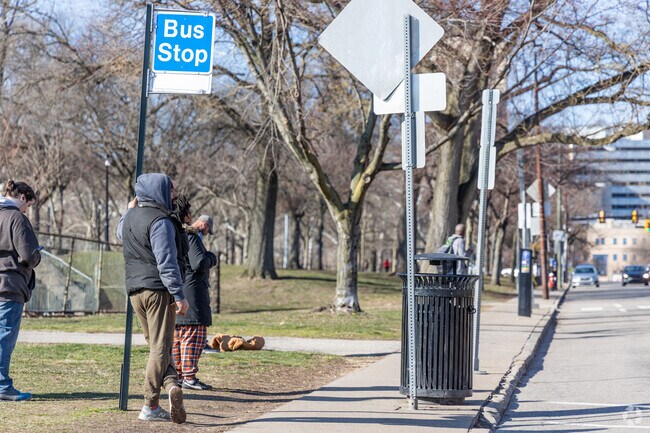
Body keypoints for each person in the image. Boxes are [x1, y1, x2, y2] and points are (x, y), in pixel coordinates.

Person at [117, 173, 189, 424]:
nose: (176, 195)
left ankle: (171, 385)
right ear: (159, 192)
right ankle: (150, 404)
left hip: (134, 290)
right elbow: (166, 263)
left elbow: (120, 234)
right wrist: (179, 295)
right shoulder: (161, 222)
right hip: (158, 290)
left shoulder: (128, 219)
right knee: (161, 347)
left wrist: (128, 212)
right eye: (171, 190)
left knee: (158, 346)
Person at [0, 180, 39, 401]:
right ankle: (2, 385)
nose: (27, 210)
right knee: (4, 337)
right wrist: (37, 255)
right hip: (9, 286)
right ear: (22, 197)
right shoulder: (16, 218)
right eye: (29, 205)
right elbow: (28, 255)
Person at [173, 214, 217, 391]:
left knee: (178, 338)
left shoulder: (181, 235)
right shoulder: (192, 237)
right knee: (194, 336)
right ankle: (189, 377)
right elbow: (199, 263)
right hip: (192, 294)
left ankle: (178, 376)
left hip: (181, 291)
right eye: (208, 230)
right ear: (205, 225)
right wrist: (212, 258)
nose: (207, 233)